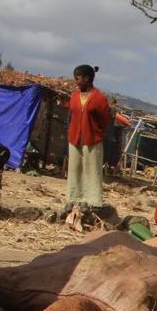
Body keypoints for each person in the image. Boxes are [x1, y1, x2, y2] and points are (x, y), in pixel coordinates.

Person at [66, 64, 111, 214]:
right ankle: (73, 198)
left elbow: (105, 120)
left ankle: (91, 200)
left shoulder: (99, 99)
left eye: (77, 79)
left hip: (92, 139)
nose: (76, 82)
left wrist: (96, 133)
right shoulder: (74, 97)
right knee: (74, 169)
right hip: (75, 138)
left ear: (87, 78)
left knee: (92, 170)